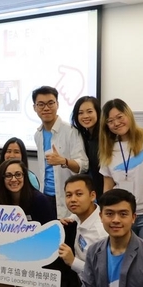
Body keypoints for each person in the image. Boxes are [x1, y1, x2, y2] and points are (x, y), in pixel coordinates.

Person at [28, 174, 107, 287]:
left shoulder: (100, 231)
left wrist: (73, 262)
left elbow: (103, 278)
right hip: (78, 285)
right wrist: (59, 225)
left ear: (92, 196)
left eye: (79, 194)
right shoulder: (77, 217)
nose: (73, 199)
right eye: (69, 195)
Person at [0, 159, 56, 287]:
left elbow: (48, 235)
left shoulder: (39, 200)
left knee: (0, 263)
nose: (13, 179)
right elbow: (4, 234)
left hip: (37, 250)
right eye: (8, 175)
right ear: (2, 179)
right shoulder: (2, 199)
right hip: (14, 248)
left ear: (25, 176)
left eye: (18, 174)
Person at [99, 99, 143, 253]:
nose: (116, 123)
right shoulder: (108, 147)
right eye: (110, 121)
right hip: (121, 215)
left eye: (119, 117)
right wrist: (106, 215)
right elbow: (108, 186)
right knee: (124, 261)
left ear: (128, 114)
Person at [32, 86, 88, 217]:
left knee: (66, 235)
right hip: (45, 196)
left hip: (67, 197)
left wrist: (64, 161)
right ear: (35, 108)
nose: (46, 108)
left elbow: (83, 165)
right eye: (41, 104)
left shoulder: (71, 131)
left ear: (57, 104)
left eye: (50, 103)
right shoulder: (37, 135)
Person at [71, 96, 104, 197]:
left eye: (89, 111)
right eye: (80, 113)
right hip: (93, 191)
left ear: (98, 112)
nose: (85, 116)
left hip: (106, 190)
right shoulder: (83, 136)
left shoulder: (105, 137)